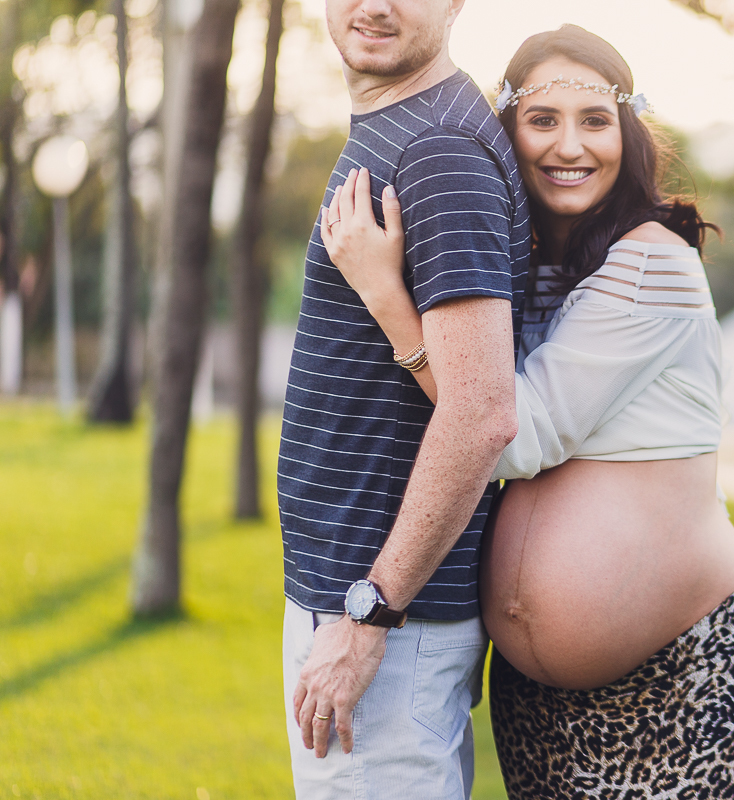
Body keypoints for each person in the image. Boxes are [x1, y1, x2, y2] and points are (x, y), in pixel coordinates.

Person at [323, 24, 734, 800]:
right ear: (509, 130)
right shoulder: (535, 265)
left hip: (680, 691)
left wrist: (386, 296)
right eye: (543, 119)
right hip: (544, 712)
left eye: (595, 121)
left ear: (628, 135)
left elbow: (513, 434)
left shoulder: (650, 261)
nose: (570, 145)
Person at [277, 0, 529, 797]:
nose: (376, 5)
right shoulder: (403, 128)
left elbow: (481, 413)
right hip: (361, 611)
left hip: (384, 624)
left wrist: (370, 613)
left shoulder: (440, 152)